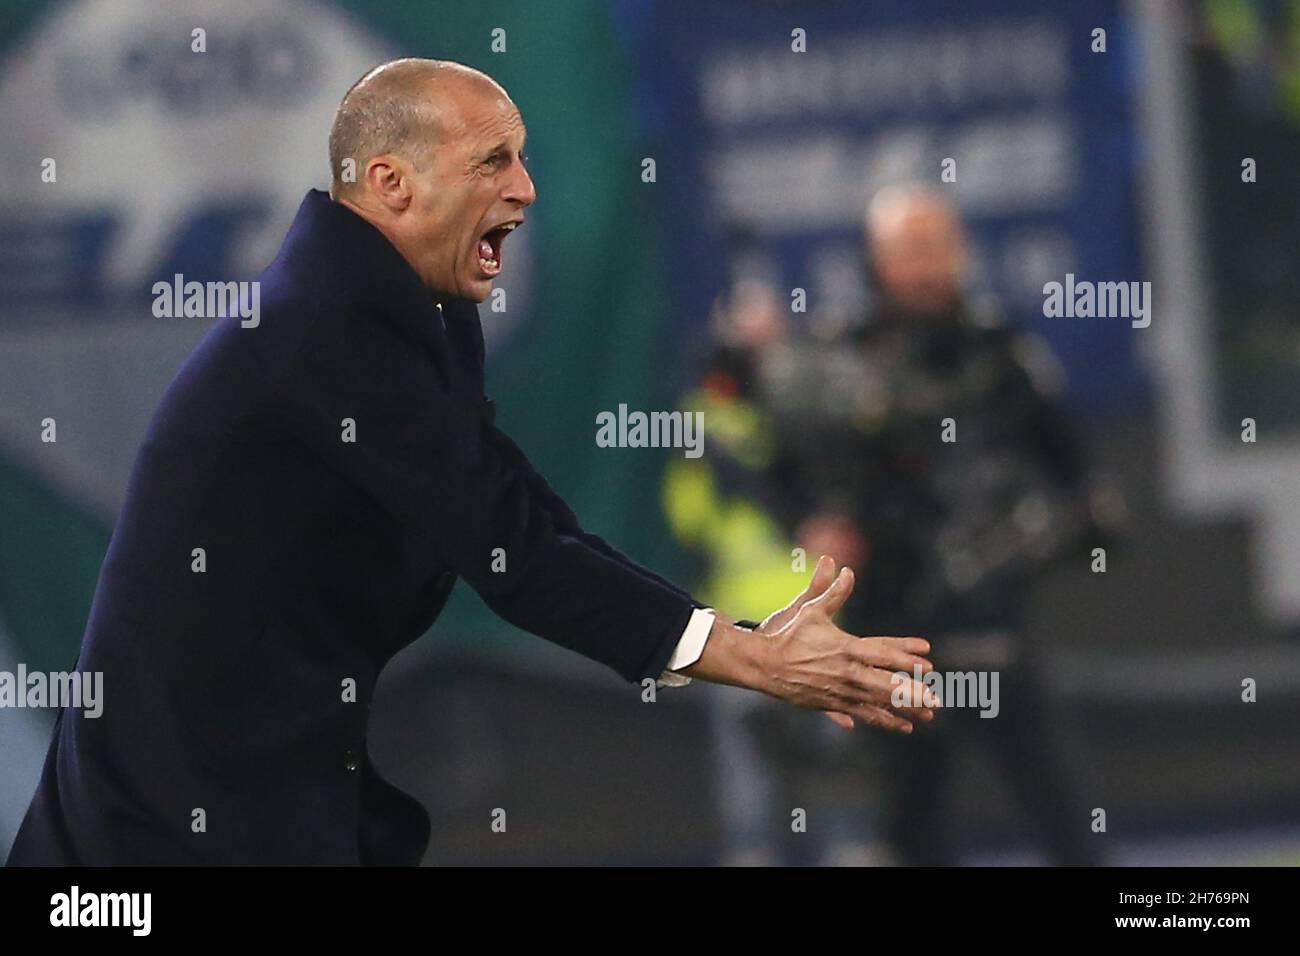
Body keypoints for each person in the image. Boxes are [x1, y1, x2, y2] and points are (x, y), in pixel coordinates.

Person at [6, 60, 935, 866]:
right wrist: (751, 657)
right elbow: (515, 557)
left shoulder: (409, 310)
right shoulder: (328, 333)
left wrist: (734, 637)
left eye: (524, 155)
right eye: (493, 159)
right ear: (390, 182)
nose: (526, 187)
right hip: (163, 833)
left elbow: (526, 518)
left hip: (264, 794)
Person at [763, 184, 1111, 865]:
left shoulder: (1001, 355)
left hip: (995, 620)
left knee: (1064, 810)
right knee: (911, 818)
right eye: (907, 251)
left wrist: (1051, 528)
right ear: (875, 261)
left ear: (961, 252)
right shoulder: (835, 363)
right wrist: (812, 522)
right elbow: (779, 471)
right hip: (897, 626)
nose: (925, 267)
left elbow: (1078, 478)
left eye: (936, 247)